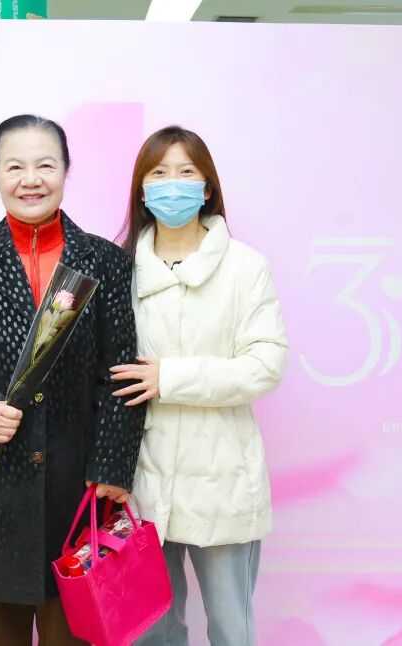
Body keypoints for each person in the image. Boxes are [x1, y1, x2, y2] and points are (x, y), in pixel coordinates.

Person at [0, 114, 145, 646]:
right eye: (14, 167)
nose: (31, 180)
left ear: (66, 170)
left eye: (45, 165)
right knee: (0, 636)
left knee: (75, 635)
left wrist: (112, 467)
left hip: (78, 486)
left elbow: (120, 371)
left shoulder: (105, 261)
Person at [112, 126, 288, 646]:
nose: (173, 184)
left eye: (186, 172)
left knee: (232, 628)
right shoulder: (119, 268)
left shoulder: (245, 267)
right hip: (142, 482)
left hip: (222, 480)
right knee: (151, 630)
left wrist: (169, 378)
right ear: (142, 188)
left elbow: (265, 364)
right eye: (159, 173)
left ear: (207, 187)